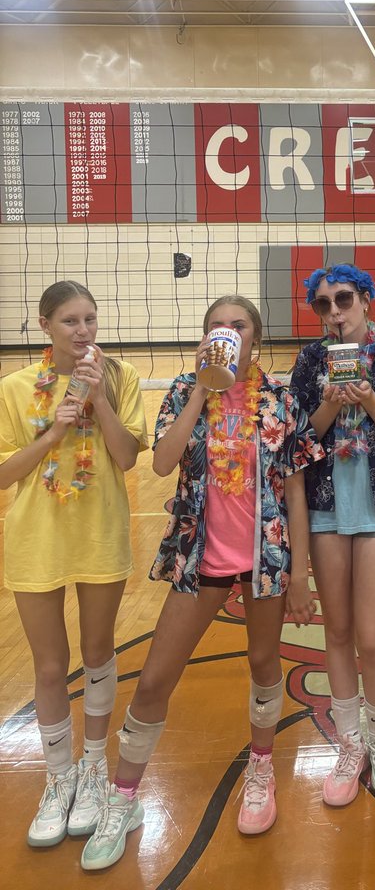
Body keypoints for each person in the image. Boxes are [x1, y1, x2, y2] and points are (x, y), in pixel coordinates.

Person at [80, 295, 322, 871]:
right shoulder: (183, 393)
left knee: (264, 665)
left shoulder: (280, 399)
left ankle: (261, 769)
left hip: (265, 558)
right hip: (199, 560)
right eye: (217, 327)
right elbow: (162, 463)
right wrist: (199, 390)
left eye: (237, 327)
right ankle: (124, 798)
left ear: (255, 342)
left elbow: (294, 493)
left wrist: (301, 576)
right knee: (155, 678)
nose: (226, 333)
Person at [0, 280, 147, 848]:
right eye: (69, 321)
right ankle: (57, 777)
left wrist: (100, 399)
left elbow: (129, 456)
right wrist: (56, 430)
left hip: (99, 533)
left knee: (96, 653)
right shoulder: (15, 388)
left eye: (89, 318)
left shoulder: (120, 377)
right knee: (47, 665)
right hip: (37, 536)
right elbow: (6, 473)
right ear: (44, 326)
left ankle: (91, 770)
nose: (83, 331)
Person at [289, 264, 375, 806]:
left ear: (366, 299)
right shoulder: (309, 360)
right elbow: (300, 442)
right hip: (324, 508)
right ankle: (350, 744)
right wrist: (330, 401)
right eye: (323, 305)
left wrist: (368, 400)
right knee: (337, 633)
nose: (335, 312)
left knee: (372, 636)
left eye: (343, 299)